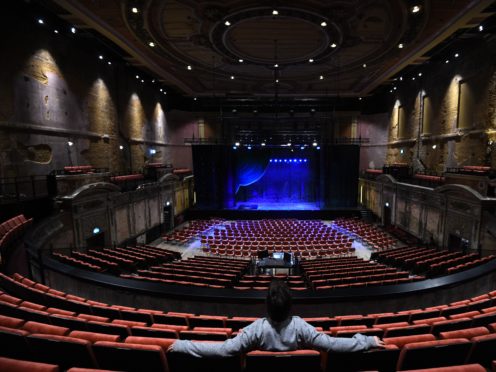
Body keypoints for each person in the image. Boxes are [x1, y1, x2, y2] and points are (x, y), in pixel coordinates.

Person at [169, 280, 385, 357]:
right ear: (290, 306)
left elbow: (223, 350)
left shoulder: (256, 329)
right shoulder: (301, 326)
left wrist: (183, 345)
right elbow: (332, 344)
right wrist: (367, 340)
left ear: (267, 306)